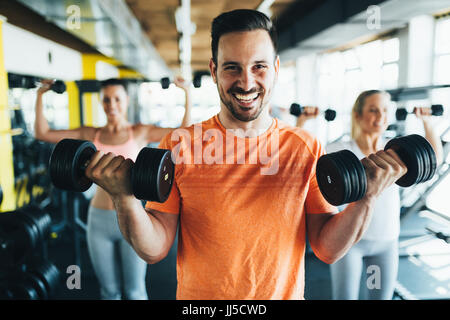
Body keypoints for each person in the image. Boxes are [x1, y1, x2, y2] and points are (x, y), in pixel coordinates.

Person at [83, 9, 409, 300]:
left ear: (276, 68)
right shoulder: (179, 144)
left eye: (259, 67)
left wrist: (366, 199)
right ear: (213, 70)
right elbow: (155, 250)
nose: (246, 81)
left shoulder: (305, 147)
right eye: (232, 68)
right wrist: (124, 199)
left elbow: (327, 249)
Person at [35, 76, 192, 300]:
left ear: (126, 100)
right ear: (101, 102)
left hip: (134, 217)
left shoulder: (139, 132)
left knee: (135, 291)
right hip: (98, 219)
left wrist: (187, 93)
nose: (112, 105)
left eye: (117, 99)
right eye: (107, 100)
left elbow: (184, 132)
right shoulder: (92, 134)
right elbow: (43, 134)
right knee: (109, 293)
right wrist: (40, 96)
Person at [298, 91, 443, 299]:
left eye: (385, 110)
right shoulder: (338, 150)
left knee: (380, 298)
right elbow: (301, 160)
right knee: (345, 297)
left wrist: (427, 122)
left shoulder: (397, 153)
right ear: (357, 115)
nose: (380, 116)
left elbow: (432, 161)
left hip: (386, 243)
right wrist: (301, 122)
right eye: (373, 110)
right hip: (350, 245)